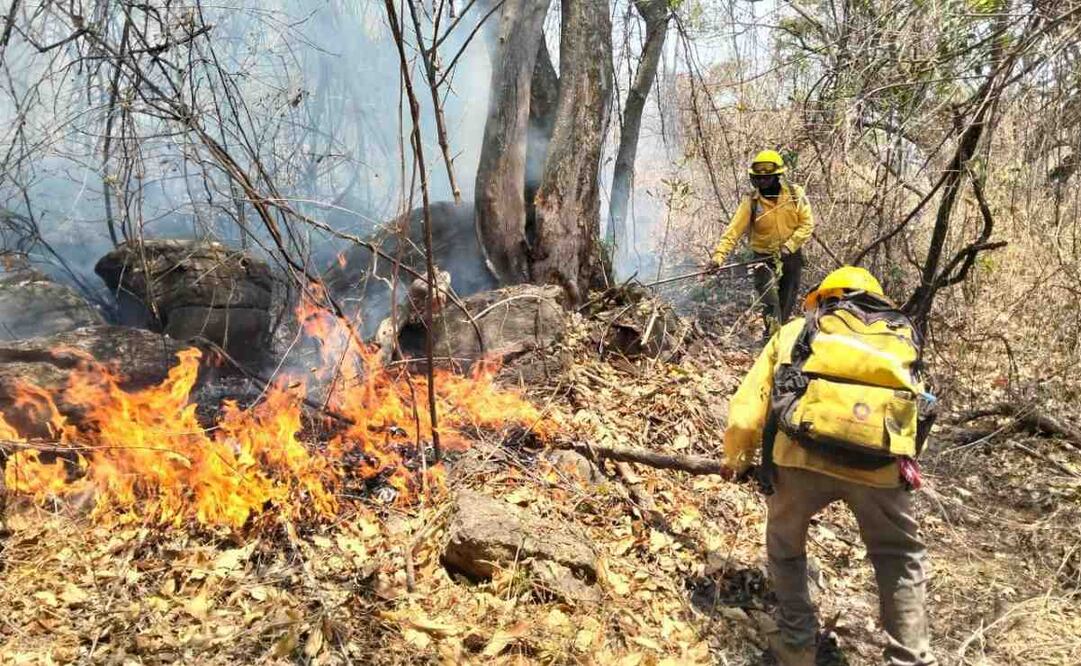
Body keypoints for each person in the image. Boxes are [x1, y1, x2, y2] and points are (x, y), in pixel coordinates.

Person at [721, 266, 937, 666]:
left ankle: (798, 644)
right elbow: (916, 413)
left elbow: (746, 413)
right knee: (898, 557)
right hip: (878, 466)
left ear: (823, 298)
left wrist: (737, 460)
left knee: (785, 549)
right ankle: (909, 658)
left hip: (800, 457)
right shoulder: (898, 338)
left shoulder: (797, 331)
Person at [711, 150, 815, 338]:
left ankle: (776, 339)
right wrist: (718, 258)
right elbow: (733, 231)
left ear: (777, 177)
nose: (761, 183)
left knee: (786, 301)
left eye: (766, 179)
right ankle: (771, 338)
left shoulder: (794, 194)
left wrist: (789, 246)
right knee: (770, 301)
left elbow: (807, 224)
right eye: (757, 179)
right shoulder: (751, 201)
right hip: (762, 258)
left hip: (791, 257)